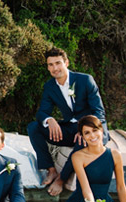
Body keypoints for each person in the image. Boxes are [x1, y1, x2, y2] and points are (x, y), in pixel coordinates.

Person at [28, 48, 106, 190]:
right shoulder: (50, 86)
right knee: (33, 127)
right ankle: (51, 170)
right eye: (50, 65)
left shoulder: (85, 80)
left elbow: (99, 112)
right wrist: (49, 119)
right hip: (71, 128)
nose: (55, 68)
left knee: (84, 140)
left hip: (93, 129)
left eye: (58, 63)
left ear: (66, 63)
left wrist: (85, 130)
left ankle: (61, 179)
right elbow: (42, 112)